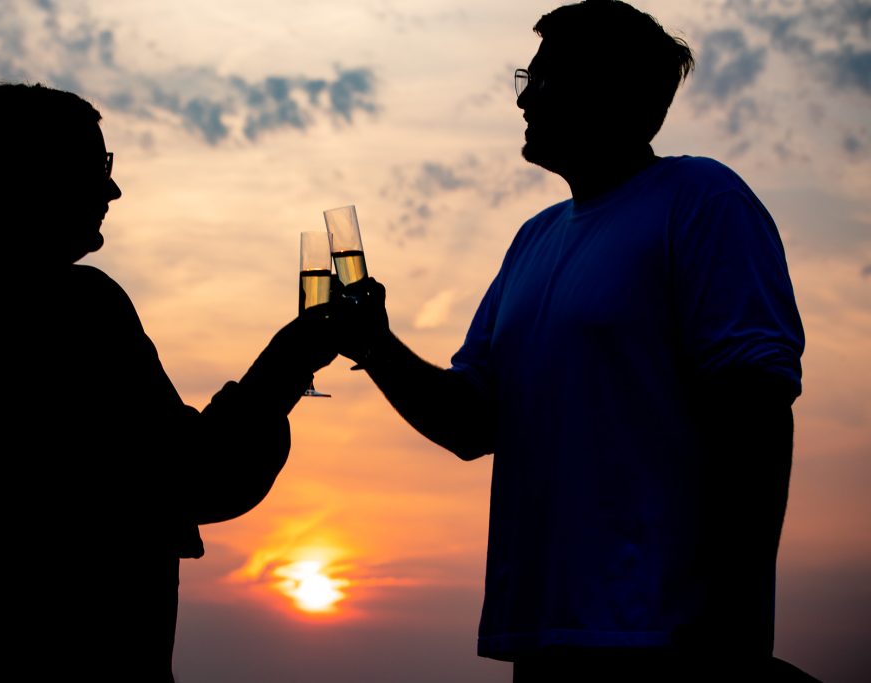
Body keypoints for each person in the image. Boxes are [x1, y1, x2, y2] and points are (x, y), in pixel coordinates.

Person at [330, 1, 812, 680]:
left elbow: (755, 409)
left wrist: (735, 633)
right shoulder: (534, 238)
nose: (524, 97)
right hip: (546, 638)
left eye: (543, 78)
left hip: (665, 639)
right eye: (526, 77)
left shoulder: (702, 199)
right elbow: (471, 420)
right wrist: (376, 345)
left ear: (606, 91)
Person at [0, 82, 335, 682]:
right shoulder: (77, 311)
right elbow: (200, 475)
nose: (112, 188)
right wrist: (289, 359)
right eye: (96, 165)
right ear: (35, 177)